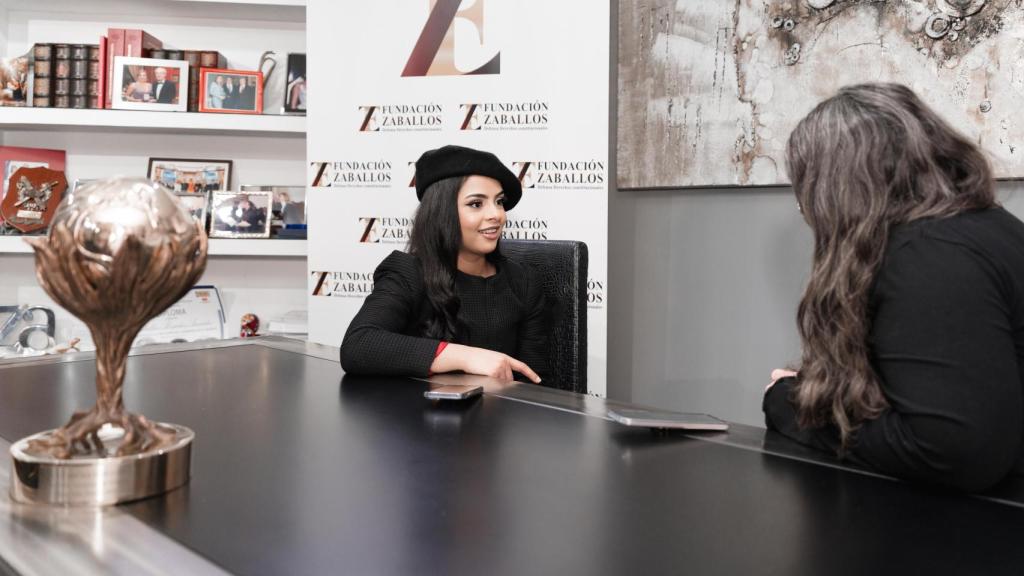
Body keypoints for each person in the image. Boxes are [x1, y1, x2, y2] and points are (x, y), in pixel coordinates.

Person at [763, 83, 1024, 492]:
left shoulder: (928, 258)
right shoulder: (989, 231)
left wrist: (793, 407)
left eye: (806, 193)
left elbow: (950, 453)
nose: (806, 210)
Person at [340, 145, 548, 384]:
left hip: (502, 417)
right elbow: (358, 345)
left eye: (499, 202)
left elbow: (538, 381)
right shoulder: (408, 272)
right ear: (442, 213)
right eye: (476, 204)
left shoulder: (524, 281)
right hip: (418, 417)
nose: (497, 215)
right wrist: (465, 357)